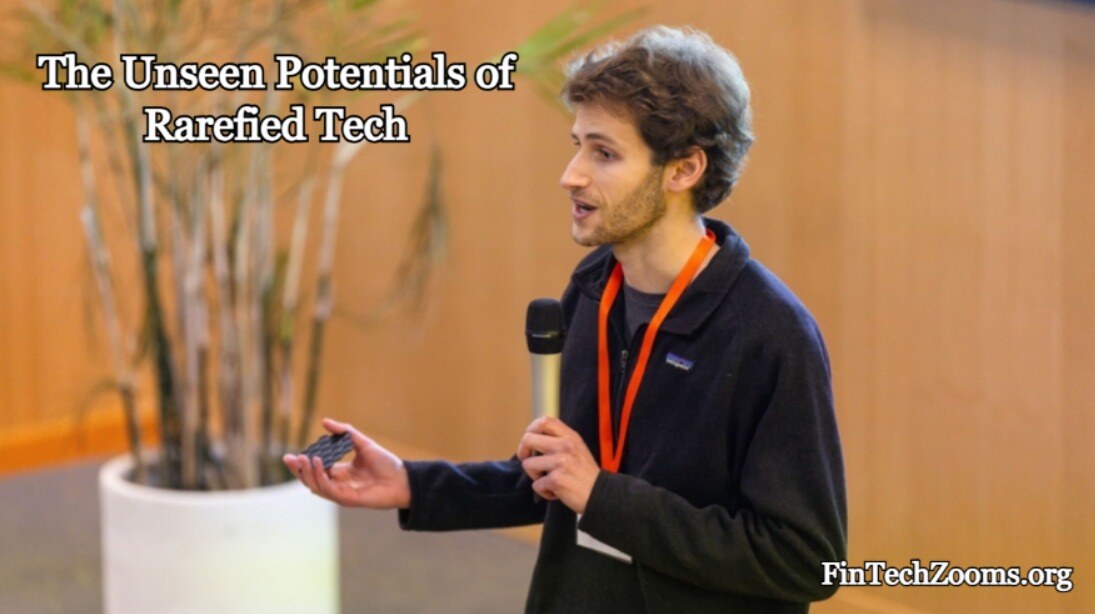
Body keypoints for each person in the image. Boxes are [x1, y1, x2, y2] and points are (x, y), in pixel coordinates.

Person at [285, 25, 847, 613]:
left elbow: (805, 559)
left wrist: (603, 496)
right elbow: (557, 481)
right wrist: (411, 483)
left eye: (604, 153)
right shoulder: (593, 289)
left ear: (683, 170)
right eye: (578, 144)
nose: (571, 174)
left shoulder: (771, 335)